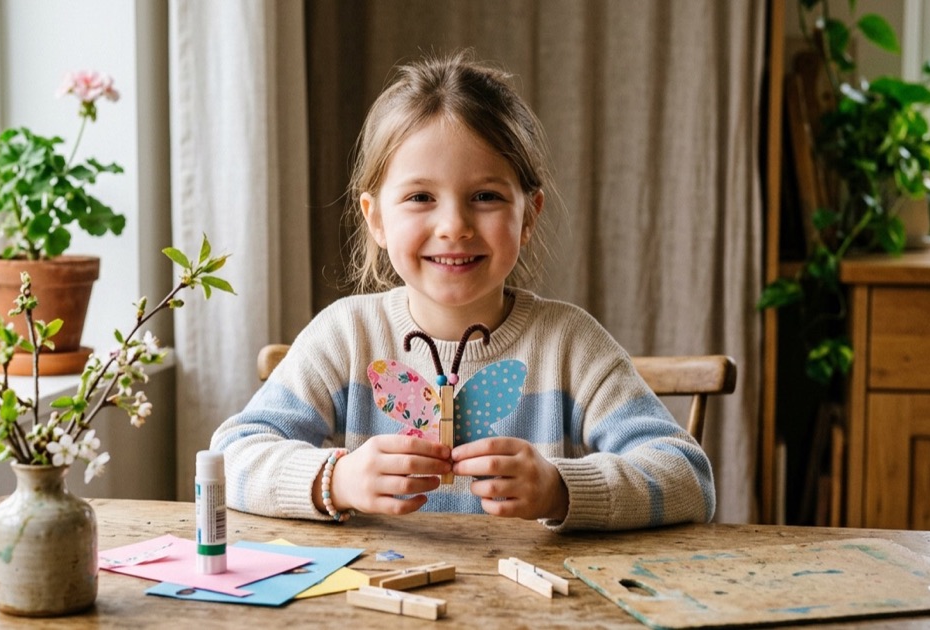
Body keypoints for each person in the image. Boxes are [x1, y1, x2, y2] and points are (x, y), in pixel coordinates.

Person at [210, 51, 714, 531]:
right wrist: (337, 479)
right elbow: (231, 456)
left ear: (529, 216)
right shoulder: (345, 336)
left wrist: (561, 487)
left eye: (485, 197)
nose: (454, 225)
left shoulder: (570, 346)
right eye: (420, 197)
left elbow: (689, 478)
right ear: (377, 219)